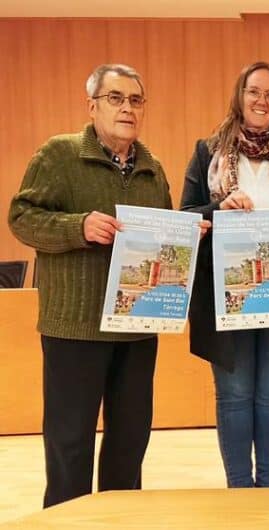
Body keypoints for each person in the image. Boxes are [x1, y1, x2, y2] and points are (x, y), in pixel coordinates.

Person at [8, 64, 180, 507]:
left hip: (137, 328)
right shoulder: (59, 155)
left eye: (135, 100)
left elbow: (162, 236)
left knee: (130, 443)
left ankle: (120, 521)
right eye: (115, 98)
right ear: (92, 106)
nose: (127, 108)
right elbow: (21, 218)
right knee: (69, 445)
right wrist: (78, 227)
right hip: (74, 328)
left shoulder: (153, 169)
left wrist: (182, 238)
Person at [180, 62, 269, 488]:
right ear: (240, 95)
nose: (262, 100)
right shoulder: (208, 152)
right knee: (235, 396)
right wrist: (218, 209)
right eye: (254, 91)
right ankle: (240, 491)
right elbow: (186, 218)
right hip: (226, 299)